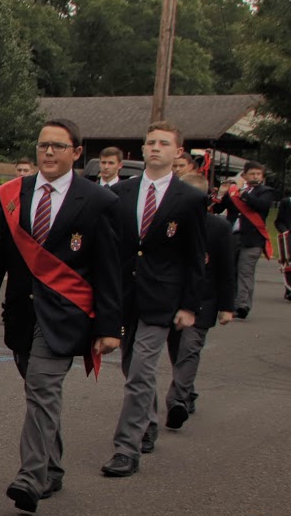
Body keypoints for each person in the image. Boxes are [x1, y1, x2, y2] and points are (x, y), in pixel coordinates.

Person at [0, 119, 122, 514]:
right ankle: (52, 467)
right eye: (43, 146)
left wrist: (109, 326)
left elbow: (109, 270)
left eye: (58, 146)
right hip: (21, 312)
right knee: (40, 393)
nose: (49, 152)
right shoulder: (11, 195)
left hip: (67, 315)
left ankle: (30, 477)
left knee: (41, 388)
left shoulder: (98, 201)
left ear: (76, 152)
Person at [101, 122, 206, 477]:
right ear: (141, 151)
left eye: (164, 143)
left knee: (141, 371)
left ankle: (125, 448)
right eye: (150, 143)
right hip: (122, 293)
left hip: (162, 297)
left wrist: (190, 305)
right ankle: (147, 422)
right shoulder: (122, 193)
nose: (155, 148)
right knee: (131, 367)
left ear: (178, 151)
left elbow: (195, 256)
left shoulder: (189, 198)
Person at [165, 172, 235, 430]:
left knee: (189, 349)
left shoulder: (218, 228)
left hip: (204, 300)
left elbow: (227, 271)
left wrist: (227, 307)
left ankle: (177, 401)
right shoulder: (171, 224)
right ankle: (187, 391)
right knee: (176, 350)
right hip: (173, 299)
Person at [210, 160, 277, 318]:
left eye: (259, 174)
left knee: (245, 271)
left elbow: (261, 205)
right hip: (232, 236)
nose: (256, 177)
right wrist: (221, 193)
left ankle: (242, 305)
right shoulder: (233, 192)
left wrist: (243, 193)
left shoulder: (266, 191)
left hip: (253, 238)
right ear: (244, 175)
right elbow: (218, 209)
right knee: (229, 270)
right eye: (252, 174)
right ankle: (229, 303)